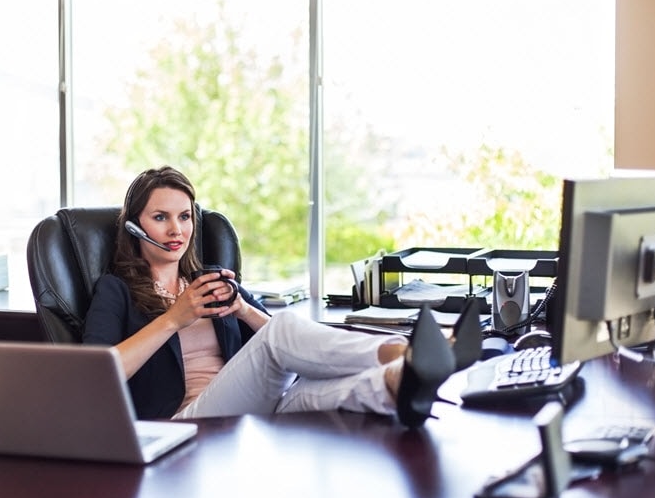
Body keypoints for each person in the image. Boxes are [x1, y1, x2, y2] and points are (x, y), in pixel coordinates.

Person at [83, 166, 448, 428]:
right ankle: (400, 350)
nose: (177, 229)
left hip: (250, 405)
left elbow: (289, 343)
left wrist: (242, 309)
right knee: (283, 330)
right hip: (184, 421)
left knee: (338, 389)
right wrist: (173, 319)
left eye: (185, 217)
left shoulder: (208, 279)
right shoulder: (115, 288)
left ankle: (403, 377)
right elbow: (97, 374)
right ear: (134, 226)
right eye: (160, 217)